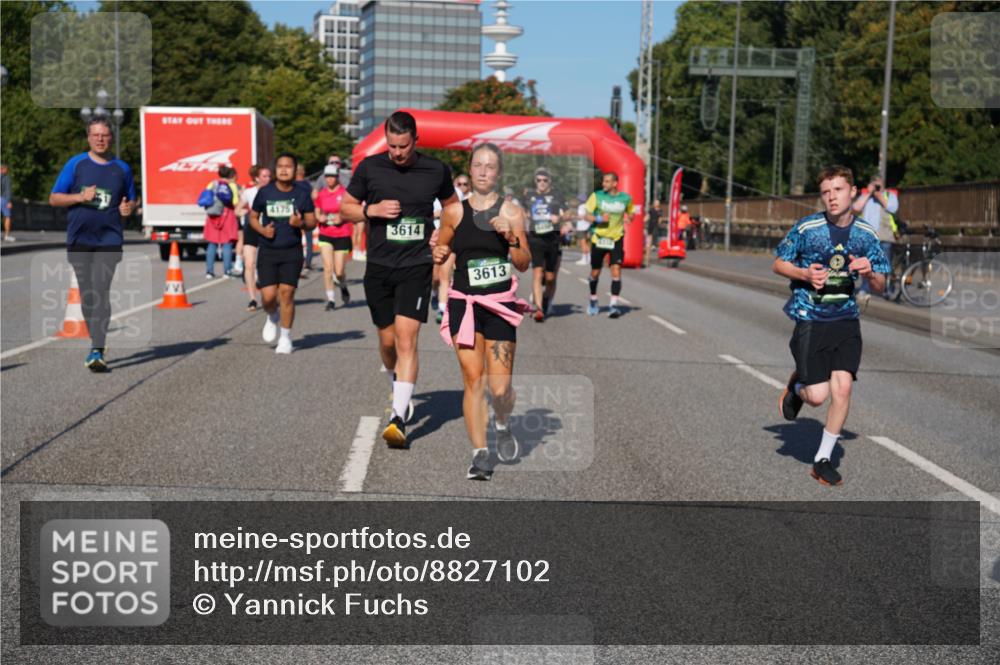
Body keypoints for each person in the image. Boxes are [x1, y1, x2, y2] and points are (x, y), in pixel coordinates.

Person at [340, 111, 462, 447]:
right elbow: (345, 208)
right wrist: (370, 211)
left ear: (415, 140)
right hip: (379, 266)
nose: (397, 152)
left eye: (403, 146)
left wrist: (443, 231)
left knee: (408, 339)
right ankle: (398, 384)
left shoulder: (435, 170)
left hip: (416, 265)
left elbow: (454, 207)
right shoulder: (370, 168)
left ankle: (398, 417)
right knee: (388, 341)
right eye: (392, 146)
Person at [773, 165, 890, 487]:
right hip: (811, 317)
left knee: (843, 388)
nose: (831, 197)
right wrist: (805, 275)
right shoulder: (808, 227)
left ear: (852, 191)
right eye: (826, 192)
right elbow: (778, 263)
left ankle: (822, 459)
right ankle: (798, 386)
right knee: (817, 397)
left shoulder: (865, 234)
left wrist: (870, 273)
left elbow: (881, 285)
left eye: (837, 190)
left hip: (846, 319)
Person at [433, 143, 532, 480]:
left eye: (491, 166)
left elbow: (523, 263)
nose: (484, 171)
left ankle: (502, 422)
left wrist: (512, 240)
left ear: (499, 172)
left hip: (500, 306)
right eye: (478, 165)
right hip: (465, 304)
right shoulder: (454, 213)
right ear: (471, 169)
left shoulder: (513, 212)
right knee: (473, 381)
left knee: (500, 389)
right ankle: (480, 455)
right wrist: (439, 254)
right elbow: (443, 246)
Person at [48, 118, 136, 372]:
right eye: (95, 135)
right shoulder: (76, 165)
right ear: (88, 138)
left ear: (111, 138)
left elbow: (131, 199)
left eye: (105, 135)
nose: (100, 139)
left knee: (100, 290)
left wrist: (128, 208)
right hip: (79, 239)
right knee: (88, 295)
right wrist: (79, 196)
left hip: (110, 239)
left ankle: (97, 348)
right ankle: (96, 342)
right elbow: (54, 198)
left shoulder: (122, 168)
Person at [249, 153, 317, 354]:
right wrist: (262, 231)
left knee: (287, 293)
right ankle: (271, 315)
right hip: (268, 251)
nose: (284, 169)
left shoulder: (302, 194)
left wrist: (301, 224)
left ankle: (286, 338)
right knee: (269, 297)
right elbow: (253, 217)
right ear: (275, 170)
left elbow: (312, 222)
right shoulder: (265, 192)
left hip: (292, 251)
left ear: (295, 170)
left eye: (288, 166)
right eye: (280, 166)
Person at [584, 172, 633, 318]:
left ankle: (613, 305)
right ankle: (593, 299)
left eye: (606, 182)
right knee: (595, 272)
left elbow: (631, 212)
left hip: (616, 239)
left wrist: (630, 217)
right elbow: (586, 215)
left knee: (616, 270)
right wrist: (598, 218)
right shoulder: (596, 196)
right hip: (599, 238)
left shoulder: (625, 198)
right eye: (603, 181)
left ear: (615, 183)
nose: (603, 184)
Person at [525, 167, 565, 322]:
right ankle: (539, 308)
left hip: (552, 239)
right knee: (537, 272)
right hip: (535, 238)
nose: (541, 183)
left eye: (545, 180)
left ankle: (546, 299)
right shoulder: (529, 196)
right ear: (535, 182)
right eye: (539, 180)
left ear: (550, 182)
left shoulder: (557, 195)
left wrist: (560, 218)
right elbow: (519, 210)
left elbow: (568, 213)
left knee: (550, 277)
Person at [314, 163, 355, 310]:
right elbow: (317, 210)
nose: (330, 179)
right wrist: (320, 218)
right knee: (327, 268)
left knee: (338, 271)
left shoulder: (344, 193)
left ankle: (342, 286)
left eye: (332, 176)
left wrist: (342, 217)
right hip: (325, 233)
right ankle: (330, 300)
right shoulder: (322, 193)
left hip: (341, 234)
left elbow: (350, 211)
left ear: (337, 177)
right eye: (327, 177)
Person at [852, 174, 899, 299]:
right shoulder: (866, 197)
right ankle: (865, 288)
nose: (876, 187)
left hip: (884, 236)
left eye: (878, 184)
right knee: (866, 264)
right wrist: (868, 193)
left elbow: (892, 208)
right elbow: (856, 208)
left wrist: (879, 195)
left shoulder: (890, 196)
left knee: (884, 265)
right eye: (874, 184)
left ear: (883, 184)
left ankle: (885, 289)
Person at [432, 174, 470, 323]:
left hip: (451, 238)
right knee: (435, 277)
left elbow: (459, 213)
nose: (462, 187)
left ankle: (443, 309)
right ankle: (435, 294)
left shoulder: (456, 193)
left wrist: (442, 215)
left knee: (444, 275)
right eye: (459, 184)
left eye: (464, 184)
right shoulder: (428, 190)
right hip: (432, 238)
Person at [235, 165, 270, 311]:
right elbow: (237, 210)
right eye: (264, 176)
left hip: (268, 229)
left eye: (269, 176)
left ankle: (269, 294)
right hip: (252, 229)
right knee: (249, 264)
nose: (268, 179)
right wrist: (244, 212)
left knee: (266, 264)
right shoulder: (249, 192)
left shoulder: (274, 192)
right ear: (256, 178)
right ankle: (252, 299)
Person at [202, 165, 240, 279]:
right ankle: (227, 271)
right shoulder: (232, 185)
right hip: (227, 215)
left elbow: (207, 197)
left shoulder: (212, 183)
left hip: (213, 215)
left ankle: (209, 271)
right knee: (227, 243)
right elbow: (235, 201)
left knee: (212, 243)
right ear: (230, 174)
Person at [295, 163, 316, 275]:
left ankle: (298, 260)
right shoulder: (307, 185)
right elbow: (313, 197)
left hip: (296, 212)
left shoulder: (292, 185)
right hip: (307, 212)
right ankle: (308, 260)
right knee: (308, 238)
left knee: (296, 237)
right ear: (302, 173)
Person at [644, 198, 664, 266]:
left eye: (657, 203)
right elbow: (647, 217)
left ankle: (653, 245)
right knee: (648, 242)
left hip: (655, 226)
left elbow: (660, 218)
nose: (656, 204)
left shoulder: (660, 211)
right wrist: (642, 221)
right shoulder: (651, 210)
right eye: (655, 202)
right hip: (650, 226)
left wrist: (659, 222)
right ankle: (647, 259)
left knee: (654, 237)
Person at [574, 197, 591, 265]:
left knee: (583, 243)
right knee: (586, 243)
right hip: (587, 226)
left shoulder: (581, 206)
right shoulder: (589, 206)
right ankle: (588, 258)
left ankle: (584, 259)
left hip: (581, 227)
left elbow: (581, 216)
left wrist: (574, 216)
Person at [1, 164, 14, 242]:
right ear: (3, 169)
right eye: (6, 169)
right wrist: (9, 201)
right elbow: (8, 190)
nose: (7, 171)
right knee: (7, 216)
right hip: (4, 199)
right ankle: (6, 235)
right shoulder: (6, 178)